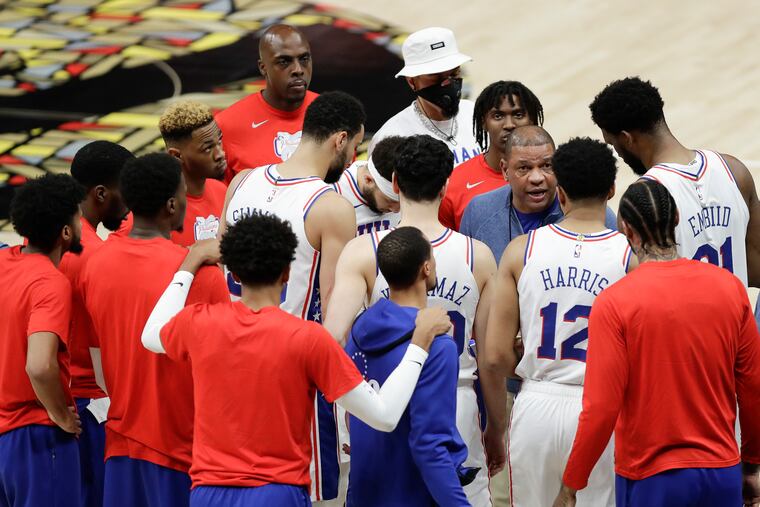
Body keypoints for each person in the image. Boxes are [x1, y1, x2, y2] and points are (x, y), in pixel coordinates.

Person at [138, 213, 451, 506]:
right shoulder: (308, 339)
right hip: (276, 493)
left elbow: (150, 335)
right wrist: (419, 343)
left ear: (233, 273)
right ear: (287, 272)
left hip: (208, 493)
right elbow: (383, 415)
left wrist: (188, 266)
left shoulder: (198, 323)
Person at [553, 179, 760, 507]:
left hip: (650, 478)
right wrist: (751, 464)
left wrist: (571, 484)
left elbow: (601, 408)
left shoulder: (615, 303)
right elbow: (753, 386)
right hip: (721, 471)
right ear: (677, 217)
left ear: (626, 229)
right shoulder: (730, 288)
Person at [325, 134, 497, 507]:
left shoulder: (364, 249)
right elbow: (489, 356)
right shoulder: (478, 255)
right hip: (457, 402)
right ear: (446, 184)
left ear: (396, 182)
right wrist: (496, 427)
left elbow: (332, 340)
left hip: (383, 400)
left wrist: (352, 413)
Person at [220, 90, 364, 505]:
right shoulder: (331, 206)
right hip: (292, 372)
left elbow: (220, 265)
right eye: (354, 147)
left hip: (229, 358)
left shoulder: (242, 182)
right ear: (339, 140)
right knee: (310, 494)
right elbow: (337, 312)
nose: (353, 160)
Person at [482, 138, 634, 507]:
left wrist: (533, 370)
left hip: (537, 405)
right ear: (612, 190)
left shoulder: (522, 250)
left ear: (560, 192)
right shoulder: (631, 258)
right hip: (602, 410)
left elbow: (495, 354)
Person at [80, 153, 229, 507]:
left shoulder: (95, 263)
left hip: (119, 440)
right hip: (183, 448)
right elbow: (224, 366)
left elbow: (99, 351)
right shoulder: (200, 275)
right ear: (172, 205)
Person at [589, 76, 760, 332]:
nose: (619, 155)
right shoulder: (735, 171)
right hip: (739, 336)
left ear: (627, 138)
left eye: (614, 145)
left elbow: (641, 292)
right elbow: (756, 266)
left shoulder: (643, 199)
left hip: (687, 343)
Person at [345, 226, 470, 506]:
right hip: (412, 494)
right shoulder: (438, 346)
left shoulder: (358, 330)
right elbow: (429, 444)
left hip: (363, 492)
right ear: (426, 268)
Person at [0, 174, 84, 506]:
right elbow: (39, 365)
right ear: (66, 232)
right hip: (35, 434)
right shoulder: (51, 282)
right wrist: (61, 414)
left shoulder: (4, 260)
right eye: (77, 217)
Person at [59, 140, 134, 507]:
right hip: (91, 401)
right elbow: (112, 338)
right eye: (126, 190)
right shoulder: (95, 257)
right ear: (101, 193)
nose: (130, 202)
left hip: (51, 397)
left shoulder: (41, 235)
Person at [460, 125, 618, 261]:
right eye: (524, 168)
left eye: (546, 166)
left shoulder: (597, 217)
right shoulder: (478, 211)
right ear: (505, 170)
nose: (537, 178)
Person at [216, 24, 318, 182]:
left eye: (304, 59)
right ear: (263, 68)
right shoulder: (227, 125)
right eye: (284, 62)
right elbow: (220, 198)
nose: (298, 69)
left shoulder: (334, 113)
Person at [439, 81, 544, 231]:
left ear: (532, 120)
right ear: (483, 122)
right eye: (498, 116)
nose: (509, 124)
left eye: (518, 115)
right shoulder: (455, 183)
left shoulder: (555, 176)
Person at [369, 27, 480, 167]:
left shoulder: (478, 113)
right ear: (412, 81)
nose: (447, 84)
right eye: (436, 77)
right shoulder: (391, 138)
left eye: (454, 74)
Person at [159, 100, 227, 247]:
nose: (220, 154)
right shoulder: (155, 213)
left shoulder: (222, 191)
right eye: (208, 148)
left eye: (219, 141)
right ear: (176, 155)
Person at [332, 136, 403, 236]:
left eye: (402, 201)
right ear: (368, 180)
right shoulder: (334, 193)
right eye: (390, 201)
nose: (396, 210)